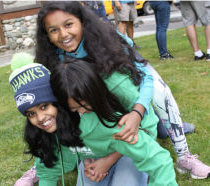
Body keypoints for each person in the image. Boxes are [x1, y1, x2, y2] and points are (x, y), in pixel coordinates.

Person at [14, 1, 210, 185]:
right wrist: (82, 152)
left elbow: (145, 78)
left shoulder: (109, 45)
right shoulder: (52, 60)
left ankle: (183, 154)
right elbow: (47, 106)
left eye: (69, 24)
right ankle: (52, 159)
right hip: (98, 125)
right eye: (54, 30)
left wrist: (137, 112)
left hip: (129, 119)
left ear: (82, 21)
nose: (63, 34)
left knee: (160, 92)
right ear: (46, 35)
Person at [10, 52, 178, 186]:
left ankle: (167, 131)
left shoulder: (107, 120)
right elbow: (48, 170)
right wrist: (85, 155)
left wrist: (107, 160)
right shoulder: (50, 131)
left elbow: (158, 160)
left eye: (44, 106)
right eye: (31, 114)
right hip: (98, 152)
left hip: (130, 147)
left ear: (58, 103)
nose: (40, 119)